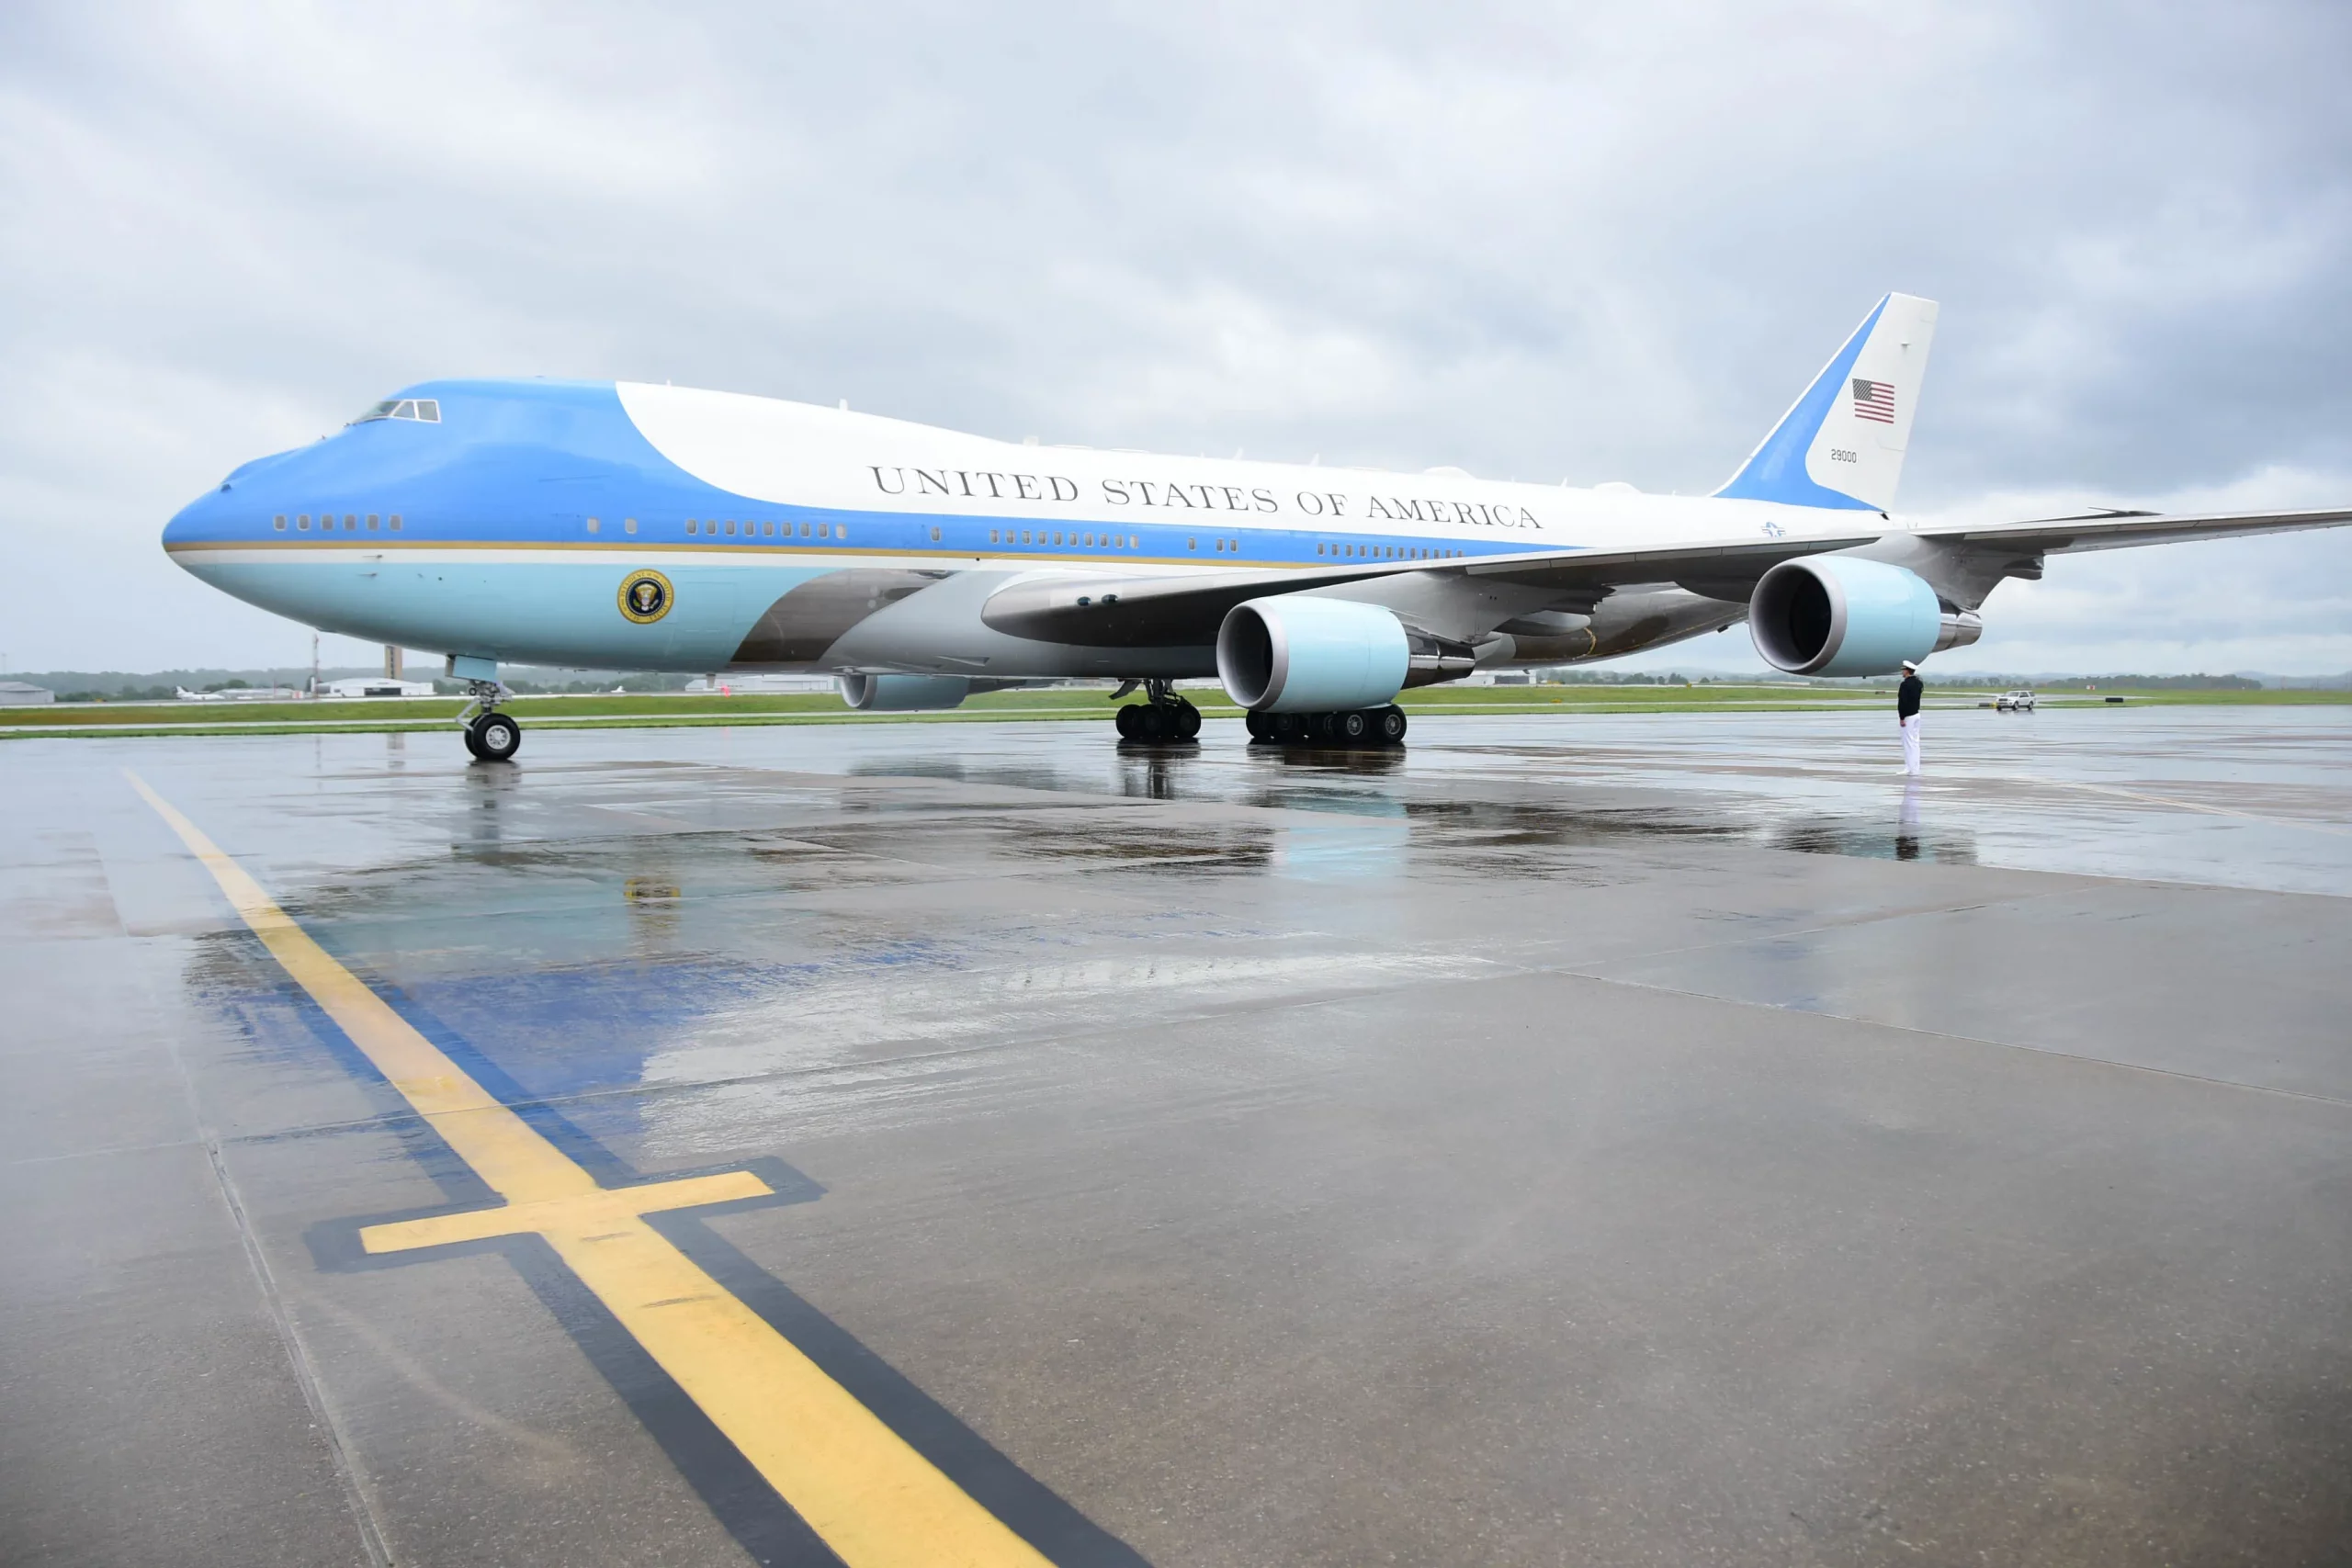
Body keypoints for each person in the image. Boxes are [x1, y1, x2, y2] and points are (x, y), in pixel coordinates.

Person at [1896, 659, 1924, 775]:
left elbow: (1902, 702)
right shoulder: (1918, 683)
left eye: (1903, 670)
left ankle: (1909, 767)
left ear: (1907, 671)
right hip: (1916, 714)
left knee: (1908, 743)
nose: (1902, 672)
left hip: (1908, 716)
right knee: (1915, 743)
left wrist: (1902, 717)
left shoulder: (1905, 684)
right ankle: (1915, 767)